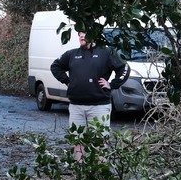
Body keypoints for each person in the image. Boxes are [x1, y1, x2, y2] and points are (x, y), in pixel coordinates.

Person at [50, 30, 129, 160]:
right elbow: (55, 66)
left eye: (85, 33)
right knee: (77, 140)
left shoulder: (106, 52)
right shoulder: (72, 54)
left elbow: (124, 68)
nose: (81, 36)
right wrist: (67, 81)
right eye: (79, 34)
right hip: (76, 106)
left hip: (99, 106)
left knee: (100, 141)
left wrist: (112, 84)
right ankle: (80, 170)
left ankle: (99, 172)